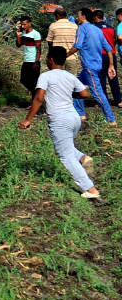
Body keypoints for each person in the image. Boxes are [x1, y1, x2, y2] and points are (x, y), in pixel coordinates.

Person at [19, 46, 101, 199]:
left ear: (50, 60)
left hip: (59, 120)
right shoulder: (69, 76)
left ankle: (90, 189)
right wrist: (68, 93)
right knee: (68, 148)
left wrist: (27, 119)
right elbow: (85, 93)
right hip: (74, 118)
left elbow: (38, 98)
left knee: (65, 155)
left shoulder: (46, 76)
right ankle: (83, 158)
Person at [71, 7, 116, 124]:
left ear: (83, 16)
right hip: (96, 66)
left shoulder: (81, 28)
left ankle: (111, 119)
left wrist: (63, 56)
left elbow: (77, 46)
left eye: (78, 15)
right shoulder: (97, 30)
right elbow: (109, 49)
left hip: (89, 68)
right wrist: (111, 65)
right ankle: (81, 114)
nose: (77, 17)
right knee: (76, 86)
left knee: (97, 94)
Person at [92, 9, 122, 108]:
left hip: (100, 56)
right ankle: (118, 100)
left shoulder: (94, 28)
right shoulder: (111, 28)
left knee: (101, 79)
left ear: (96, 17)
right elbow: (114, 41)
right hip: (111, 56)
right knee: (113, 78)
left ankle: (103, 101)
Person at [47, 7, 80, 81]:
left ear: (57, 15)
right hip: (72, 58)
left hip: (57, 59)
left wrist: (50, 55)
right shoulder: (74, 26)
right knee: (71, 81)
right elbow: (77, 43)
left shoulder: (53, 26)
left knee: (58, 81)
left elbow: (49, 42)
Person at [16, 15, 43, 99]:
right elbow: (18, 45)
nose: (23, 26)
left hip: (33, 61)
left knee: (34, 83)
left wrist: (36, 62)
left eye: (24, 24)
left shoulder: (36, 34)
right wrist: (18, 36)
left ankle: (37, 103)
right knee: (23, 80)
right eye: (22, 25)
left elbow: (39, 50)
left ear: (30, 24)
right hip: (26, 60)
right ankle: (36, 99)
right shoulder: (23, 33)